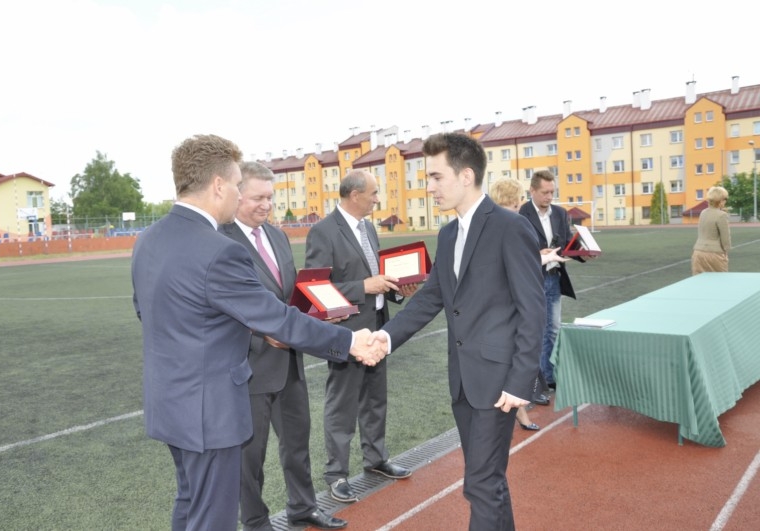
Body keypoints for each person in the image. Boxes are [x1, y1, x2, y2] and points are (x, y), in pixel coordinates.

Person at [131, 134, 385, 531]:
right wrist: (351, 342)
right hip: (210, 409)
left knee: (189, 503)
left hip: (170, 401)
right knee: (212, 518)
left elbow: (146, 311)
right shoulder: (218, 248)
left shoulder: (149, 239)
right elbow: (276, 318)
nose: (238, 195)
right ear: (218, 185)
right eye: (237, 186)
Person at [371, 133, 546, 530]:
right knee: (488, 481)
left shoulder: (510, 227)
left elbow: (532, 309)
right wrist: (387, 337)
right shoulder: (449, 234)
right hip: (463, 381)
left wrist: (521, 380)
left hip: (499, 383)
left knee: (480, 483)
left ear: (466, 176)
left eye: (436, 177)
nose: (429, 187)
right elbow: (431, 297)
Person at [218, 162, 346, 530]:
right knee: (250, 457)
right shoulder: (220, 241)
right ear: (237, 195)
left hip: (289, 363)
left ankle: (303, 508)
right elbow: (220, 307)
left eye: (270, 198)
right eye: (257, 197)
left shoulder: (276, 236)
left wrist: (317, 313)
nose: (266, 205)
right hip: (250, 369)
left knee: (297, 444)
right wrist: (260, 334)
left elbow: (289, 295)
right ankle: (255, 522)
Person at [305, 169, 418, 504]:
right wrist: (363, 287)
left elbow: (376, 276)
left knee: (375, 399)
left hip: (378, 326)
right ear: (354, 195)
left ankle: (376, 459)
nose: (377, 199)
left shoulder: (368, 227)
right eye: (373, 193)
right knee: (342, 405)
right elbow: (315, 288)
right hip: (347, 333)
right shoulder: (323, 231)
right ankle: (336, 474)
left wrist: (397, 290)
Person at [489, 177, 568, 431]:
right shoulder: (511, 223)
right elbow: (515, 264)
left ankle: (520, 408)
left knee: (510, 353)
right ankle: (517, 407)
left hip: (500, 302)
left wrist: (539, 256)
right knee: (512, 352)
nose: (518, 205)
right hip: (508, 301)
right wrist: (541, 258)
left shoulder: (493, 223)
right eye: (516, 201)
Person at [518, 170, 585, 392]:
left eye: (552, 192)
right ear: (532, 191)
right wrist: (539, 253)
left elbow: (568, 243)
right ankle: (535, 380)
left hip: (554, 278)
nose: (549, 197)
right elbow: (516, 248)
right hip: (531, 280)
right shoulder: (521, 214)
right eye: (545, 192)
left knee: (554, 329)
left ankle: (550, 376)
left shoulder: (560, 213)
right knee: (535, 331)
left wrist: (583, 252)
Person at [691, 185, 731, 275]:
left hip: (698, 252)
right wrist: (726, 251)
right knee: (720, 280)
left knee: (699, 281)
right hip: (715, 254)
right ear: (721, 201)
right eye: (725, 199)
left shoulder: (703, 212)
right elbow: (725, 239)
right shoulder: (722, 215)